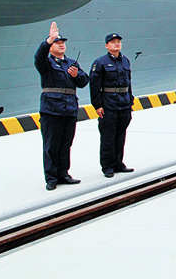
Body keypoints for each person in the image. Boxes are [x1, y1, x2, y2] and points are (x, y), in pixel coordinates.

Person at [34, 21, 89, 191]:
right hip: (51, 109)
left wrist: (77, 74)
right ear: (51, 47)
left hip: (69, 109)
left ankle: (63, 173)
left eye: (63, 43)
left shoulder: (71, 63)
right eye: (58, 43)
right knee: (51, 145)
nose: (61, 45)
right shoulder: (47, 64)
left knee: (66, 143)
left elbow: (84, 81)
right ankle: (51, 177)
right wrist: (48, 40)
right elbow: (38, 57)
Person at [89, 33, 135, 178]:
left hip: (124, 104)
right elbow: (94, 86)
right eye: (113, 42)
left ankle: (118, 163)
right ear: (107, 45)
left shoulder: (126, 61)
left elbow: (129, 82)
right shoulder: (100, 63)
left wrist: (130, 100)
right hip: (109, 104)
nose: (116, 44)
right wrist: (97, 105)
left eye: (118, 42)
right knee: (108, 136)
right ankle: (107, 166)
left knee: (121, 135)